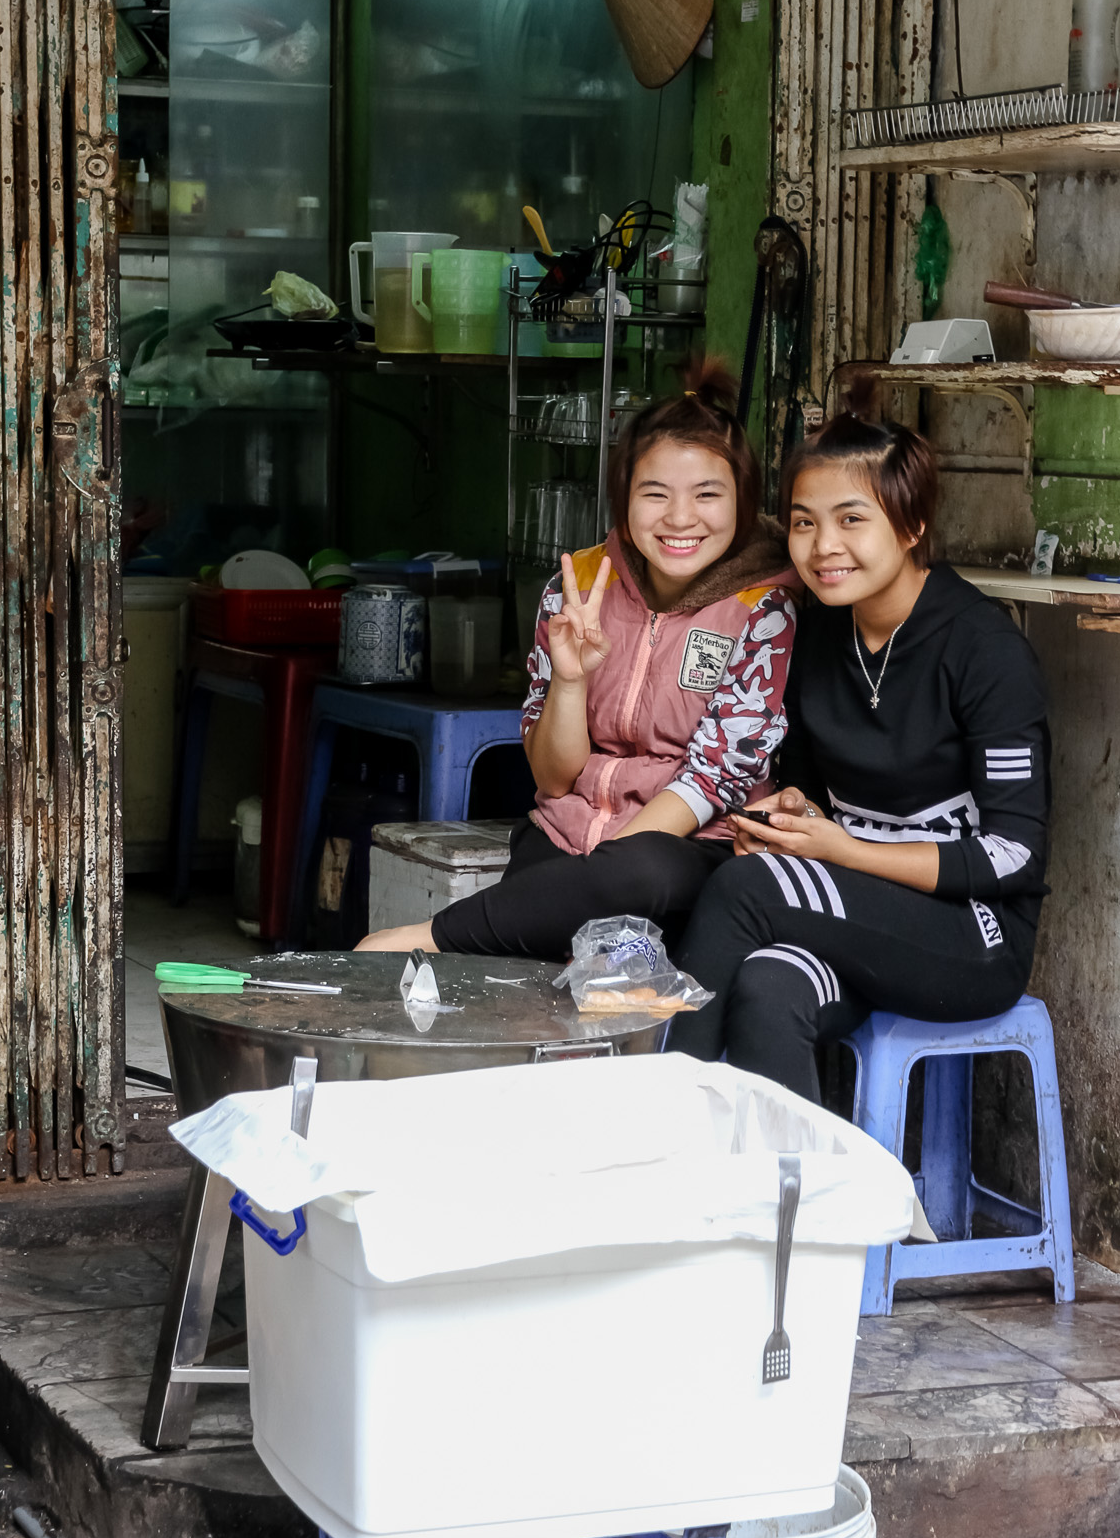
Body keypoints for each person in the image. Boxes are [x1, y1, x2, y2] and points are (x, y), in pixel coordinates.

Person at [666, 398, 1051, 1104]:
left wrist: (842, 851)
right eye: (803, 523)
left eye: (850, 520)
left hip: (971, 937)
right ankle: (787, 1178)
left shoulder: (983, 650)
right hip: (859, 916)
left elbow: (1014, 855)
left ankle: (655, 1120)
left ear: (911, 524)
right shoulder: (817, 636)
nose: (822, 547)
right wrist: (791, 817)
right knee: (765, 986)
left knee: (745, 889)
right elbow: (809, 788)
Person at [357, 356, 798, 959]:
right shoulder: (580, 587)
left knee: (641, 873)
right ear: (622, 499)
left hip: (692, 847)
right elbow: (552, 779)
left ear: (743, 501)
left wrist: (602, 873)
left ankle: (426, 938)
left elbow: (716, 778)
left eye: (707, 494)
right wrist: (569, 679)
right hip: (568, 834)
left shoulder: (763, 608)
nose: (680, 518)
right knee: (536, 920)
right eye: (655, 494)